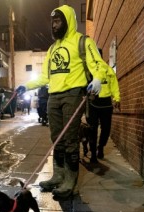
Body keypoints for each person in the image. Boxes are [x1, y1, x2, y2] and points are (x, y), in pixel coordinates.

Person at [15, 4, 108, 200]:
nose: (54, 26)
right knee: (56, 137)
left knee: (70, 138)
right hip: (53, 96)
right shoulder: (52, 49)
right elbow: (45, 77)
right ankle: (58, 175)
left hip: (73, 95)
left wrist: (98, 78)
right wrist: (26, 86)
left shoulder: (82, 42)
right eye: (52, 22)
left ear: (68, 22)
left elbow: (97, 64)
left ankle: (70, 181)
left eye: (57, 21)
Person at [86, 49, 121, 163]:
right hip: (92, 103)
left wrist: (117, 98)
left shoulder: (107, 69)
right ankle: (93, 155)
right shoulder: (88, 71)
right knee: (92, 130)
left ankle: (100, 146)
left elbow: (114, 84)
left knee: (106, 129)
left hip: (106, 104)